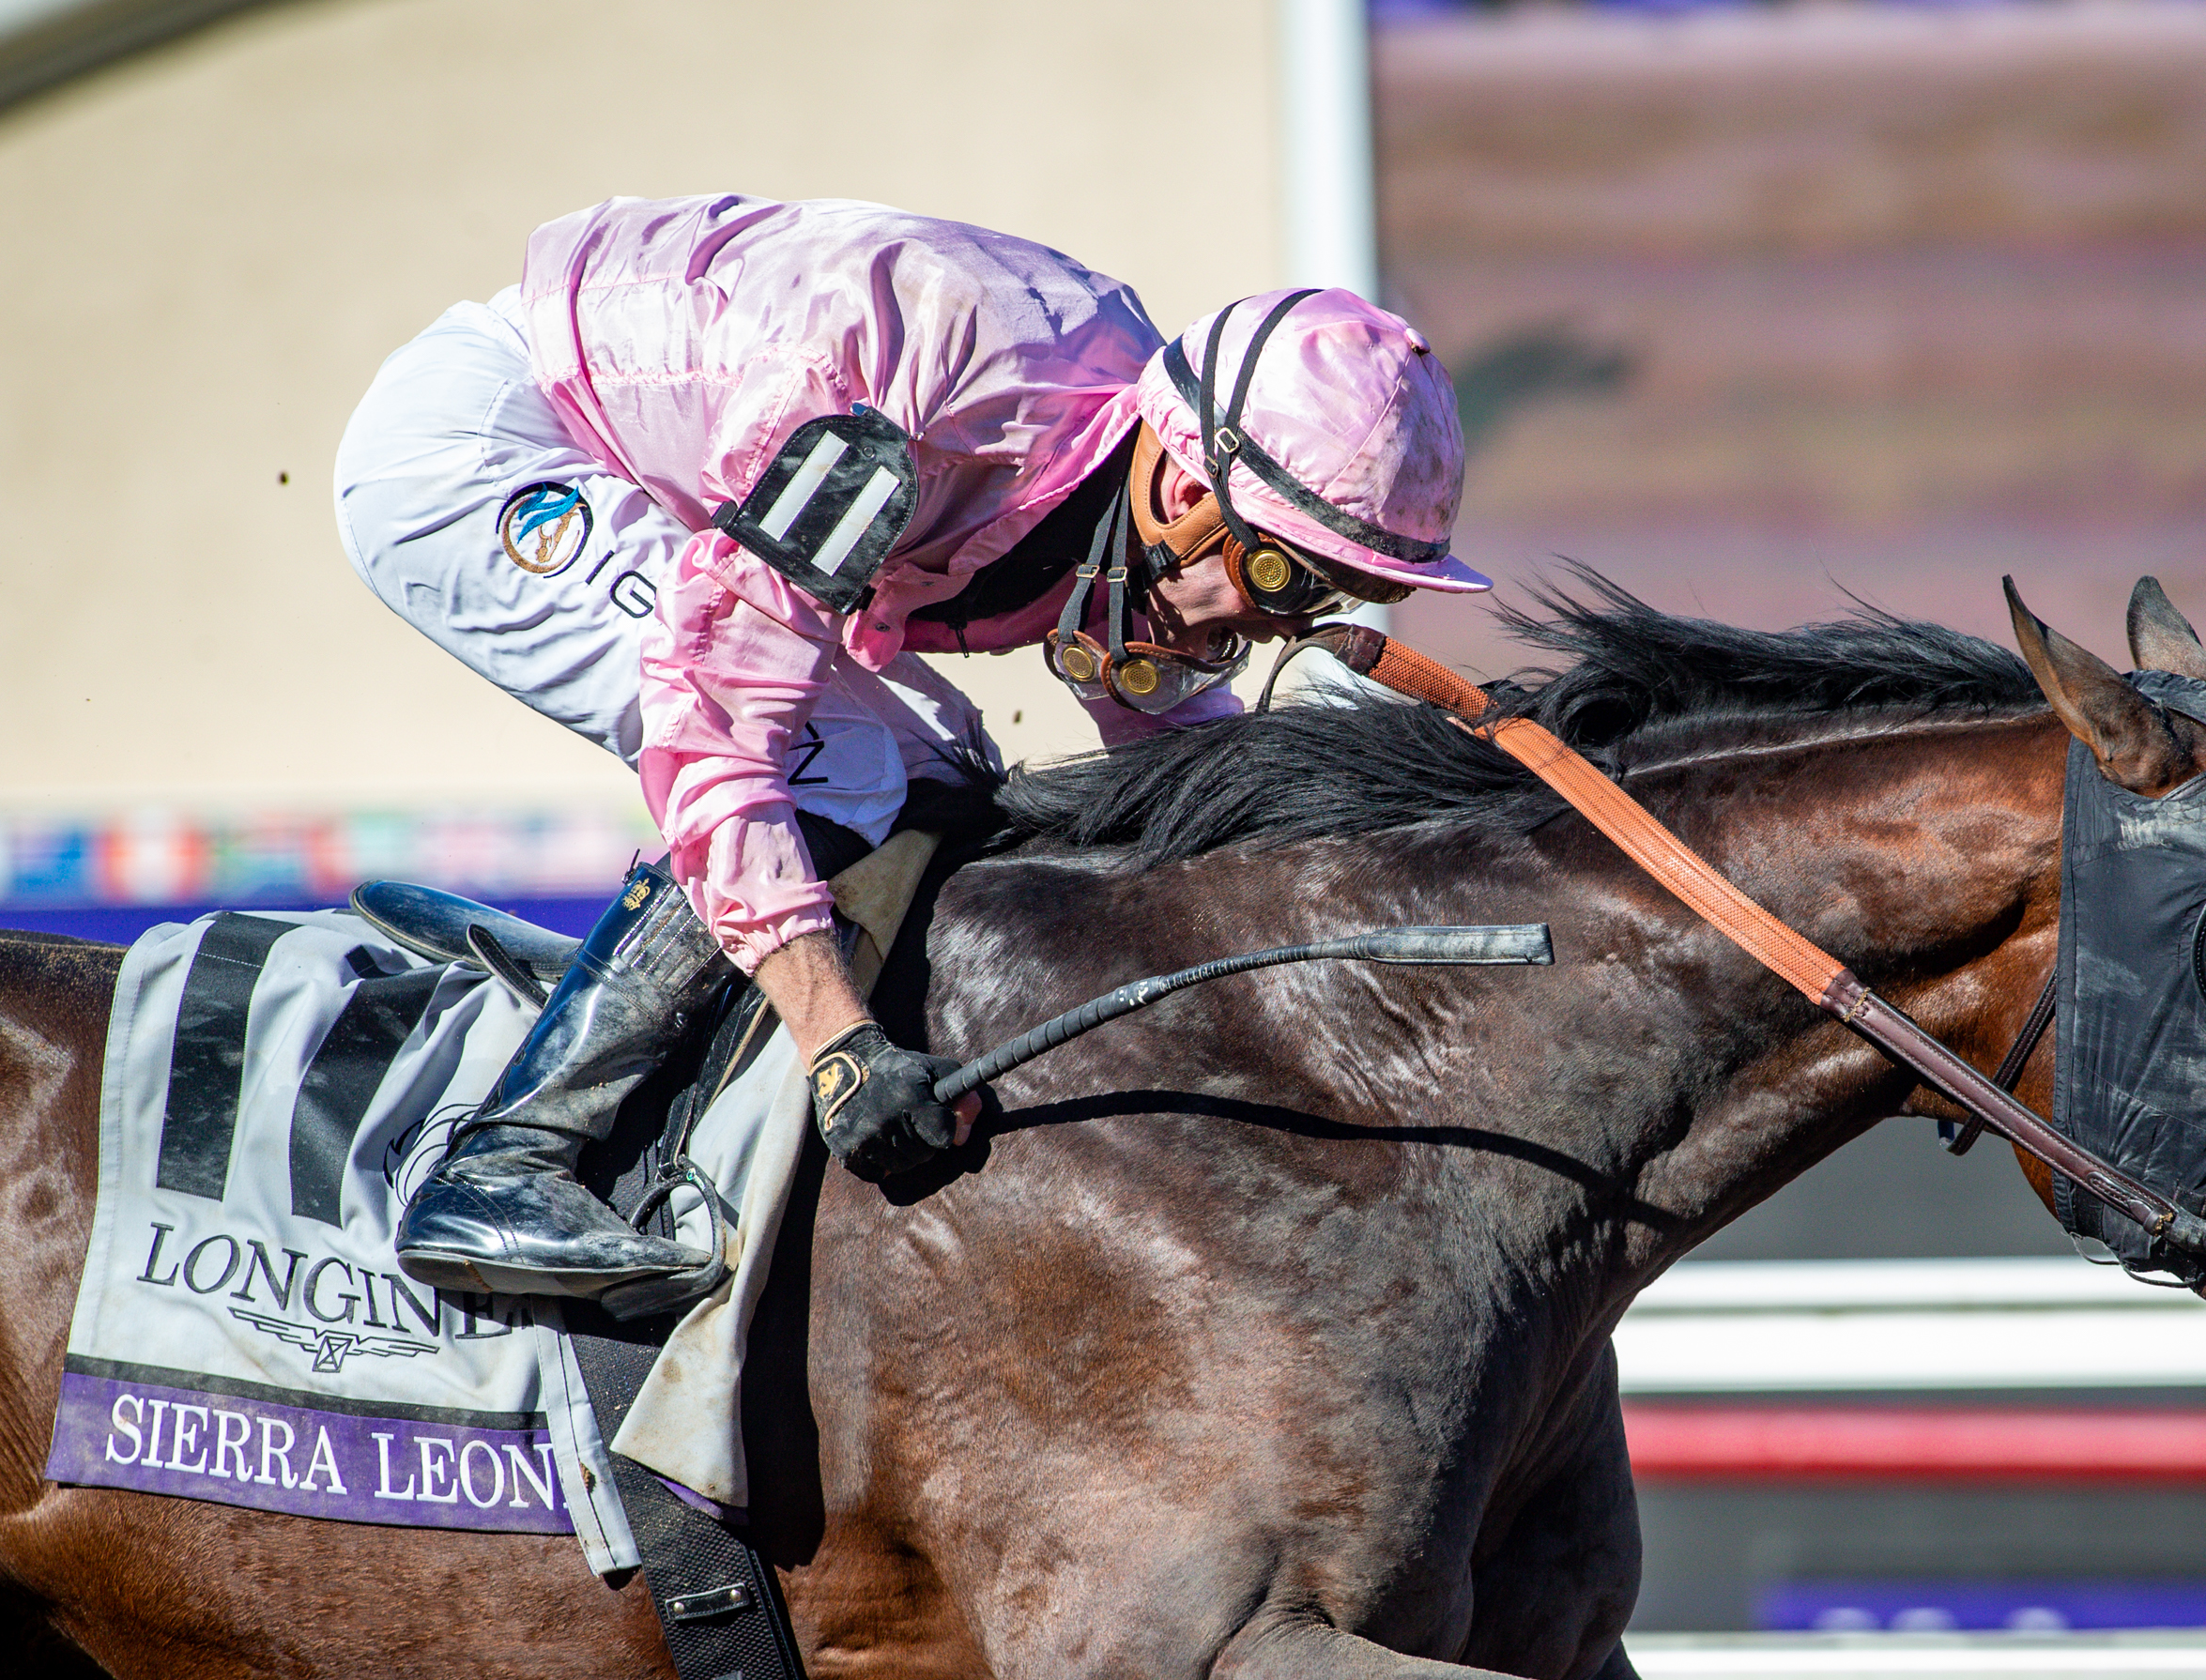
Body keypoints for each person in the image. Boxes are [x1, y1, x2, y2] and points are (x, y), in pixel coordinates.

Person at [333, 195, 1487, 1311]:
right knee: (839, 762)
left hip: (661, 453)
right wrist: (838, 1042)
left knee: (943, 763)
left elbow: (1176, 756)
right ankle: (508, 1160)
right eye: (1284, 574)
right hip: (484, 442)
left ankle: (647, 999)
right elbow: (716, 728)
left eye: (1334, 590)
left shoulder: (1130, 481)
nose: (1284, 622)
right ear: (1186, 486)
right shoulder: (900, 429)